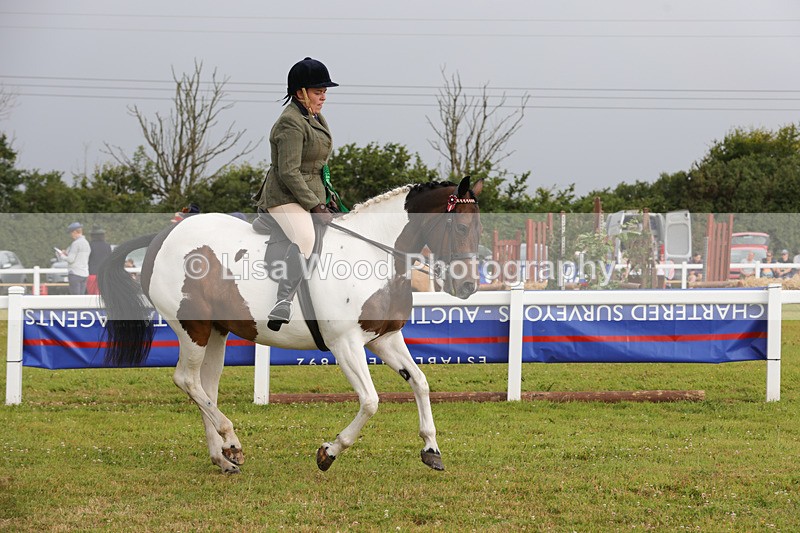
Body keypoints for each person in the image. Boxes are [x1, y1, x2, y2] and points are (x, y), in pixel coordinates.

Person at [253, 57, 339, 331]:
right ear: (300, 92)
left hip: (310, 193)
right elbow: (289, 172)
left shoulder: (314, 116)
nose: (323, 96)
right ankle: (284, 301)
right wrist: (315, 205)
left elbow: (317, 165)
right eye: (318, 91)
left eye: (325, 91)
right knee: (305, 237)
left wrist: (329, 197)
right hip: (284, 196)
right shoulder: (290, 123)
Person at [58, 222, 91, 295]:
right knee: (81, 298)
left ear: (75, 232)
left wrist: (61, 255)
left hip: (75, 273)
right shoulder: (86, 243)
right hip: (84, 273)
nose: (71, 235)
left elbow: (70, 260)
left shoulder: (76, 243)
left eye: (71, 233)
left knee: (75, 298)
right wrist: (67, 253)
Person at [86, 227, 113, 294]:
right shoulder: (107, 246)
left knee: (91, 296)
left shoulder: (90, 245)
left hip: (92, 273)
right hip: (104, 274)